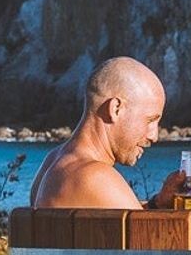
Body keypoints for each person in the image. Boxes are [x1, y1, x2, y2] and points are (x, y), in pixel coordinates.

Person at [29, 57, 166, 209]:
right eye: (150, 120)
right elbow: (146, 232)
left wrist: (158, 202)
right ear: (115, 109)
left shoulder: (53, 161)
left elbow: (126, 221)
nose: (154, 136)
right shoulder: (93, 176)